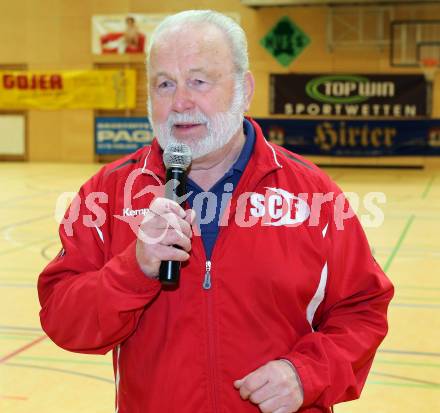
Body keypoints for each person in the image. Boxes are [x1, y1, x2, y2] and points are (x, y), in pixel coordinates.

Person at [38, 10, 393, 413]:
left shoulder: (313, 195)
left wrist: (307, 374)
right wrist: (133, 269)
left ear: (244, 89)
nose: (180, 102)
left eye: (199, 81)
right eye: (165, 84)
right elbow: (62, 318)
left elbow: (363, 310)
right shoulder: (107, 195)